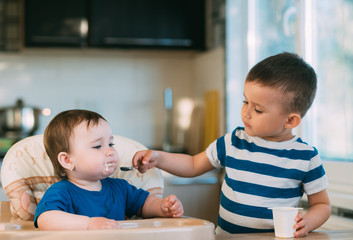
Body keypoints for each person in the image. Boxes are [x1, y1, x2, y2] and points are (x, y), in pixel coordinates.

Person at [132, 52, 331, 237]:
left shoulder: (306, 157)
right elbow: (193, 165)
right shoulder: (234, 142)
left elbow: (322, 204)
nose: (246, 112)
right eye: (245, 102)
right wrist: (160, 158)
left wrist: (308, 222)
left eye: (258, 110)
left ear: (290, 121)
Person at [35, 109, 183, 230]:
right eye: (98, 146)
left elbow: (145, 204)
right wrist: (89, 224)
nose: (110, 151)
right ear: (67, 160)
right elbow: (46, 219)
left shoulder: (120, 188)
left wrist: (162, 207)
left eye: (111, 144)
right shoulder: (61, 192)